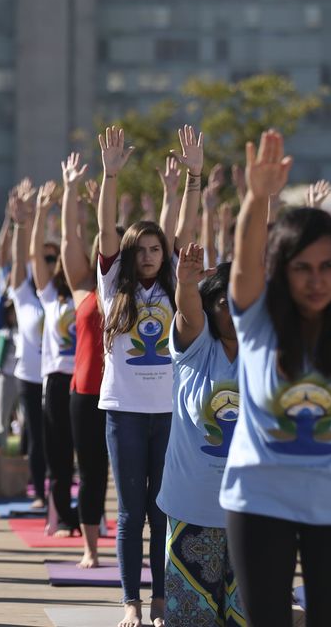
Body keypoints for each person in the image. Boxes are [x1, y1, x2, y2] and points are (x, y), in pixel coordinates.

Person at [225, 129, 331, 626]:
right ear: (281, 270)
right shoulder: (255, 318)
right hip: (258, 501)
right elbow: (243, 266)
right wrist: (257, 199)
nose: (316, 279)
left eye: (328, 266)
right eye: (301, 267)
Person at [97, 125, 201, 627]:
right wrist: (110, 176)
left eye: (155, 251)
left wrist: (194, 179)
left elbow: (186, 229)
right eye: (140, 250)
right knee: (130, 513)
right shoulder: (114, 289)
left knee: (163, 511)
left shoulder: (173, 287)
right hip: (124, 414)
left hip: (169, 415)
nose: (147, 257)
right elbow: (105, 234)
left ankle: (162, 599)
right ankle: (130, 603)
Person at [154, 250, 245, 626]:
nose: (235, 313)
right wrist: (187, 283)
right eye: (225, 304)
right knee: (193, 620)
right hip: (192, 511)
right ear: (210, 307)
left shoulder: (266, 353)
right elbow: (188, 311)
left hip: (252, 516)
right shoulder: (196, 348)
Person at [60, 152, 111, 568]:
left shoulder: (136, 297)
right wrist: (72, 190)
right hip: (84, 393)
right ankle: (90, 547)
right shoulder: (83, 291)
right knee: (91, 472)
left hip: (126, 395)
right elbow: (68, 243)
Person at [30, 180, 79, 535]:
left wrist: (74, 205)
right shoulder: (49, 296)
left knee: (89, 458)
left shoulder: (89, 291)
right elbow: (35, 256)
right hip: (57, 380)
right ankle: (60, 516)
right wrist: (42, 211)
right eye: (55, 260)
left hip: (88, 382)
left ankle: (85, 514)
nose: (59, 263)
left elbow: (75, 241)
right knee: (59, 455)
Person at [5, 182, 48, 509]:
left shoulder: (60, 298)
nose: (45, 264)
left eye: (51, 259)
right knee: (35, 435)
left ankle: (57, 488)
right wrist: (21, 223)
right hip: (29, 378)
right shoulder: (23, 296)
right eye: (42, 259)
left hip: (59, 378)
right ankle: (38, 490)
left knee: (57, 438)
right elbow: (20, 259)